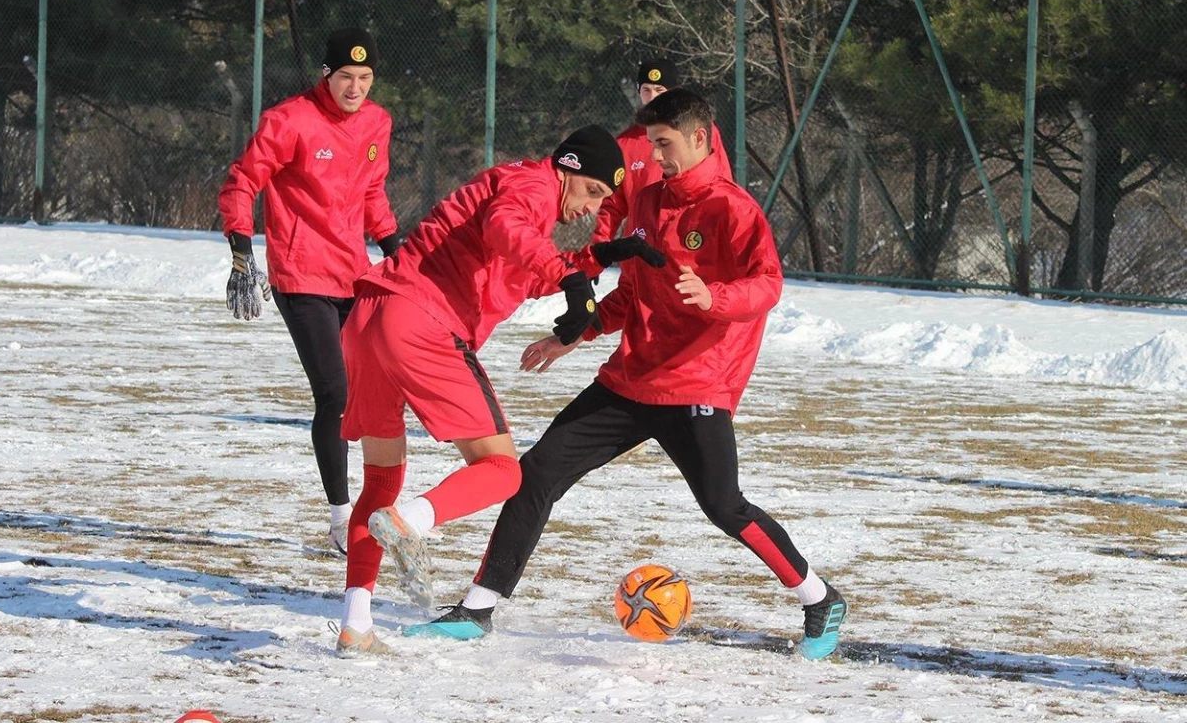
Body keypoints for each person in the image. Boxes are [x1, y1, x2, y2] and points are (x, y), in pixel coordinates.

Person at [409, 88, 848, 661]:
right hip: (629, 380)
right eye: (651, 144)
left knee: (724, 506)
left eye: (663, 144)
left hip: (696, 382)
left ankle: (819, 598)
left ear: (698, 137)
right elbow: (633, 291)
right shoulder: (646, 203)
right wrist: (574, 335)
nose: (656, 156)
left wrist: (712, 296)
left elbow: (767, 285)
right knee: (534, 475)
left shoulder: (733, 209)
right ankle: (477, 609)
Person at [333, 125, 666, 656]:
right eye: (594, 192)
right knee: (503, 471)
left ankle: (355, 623)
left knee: (379, 480)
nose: (589, 208)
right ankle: (411, 521)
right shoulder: (532, 186)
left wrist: (601, 257)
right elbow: (507, 228)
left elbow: (522, 270)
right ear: (569, 168)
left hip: (368, 321)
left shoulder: (526, 198)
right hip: (420, 323)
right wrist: (568, 276)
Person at [218, 28, 401, 557]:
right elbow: (241, 182)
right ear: (326, 74)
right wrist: (240, 248)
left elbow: (372, 194)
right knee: (335, 395)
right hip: (300, 276)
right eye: (346, 76)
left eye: (365, 78)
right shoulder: (289, 120)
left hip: (353, 275)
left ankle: (374, 507)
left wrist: (397, 252)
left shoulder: (376, 123)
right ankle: (342, 519)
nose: (356, 88)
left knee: (373, 393)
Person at [593, 57, 733, 247]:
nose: (652, 97)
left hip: (691, 241)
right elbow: (613, 205)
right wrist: (599, 249)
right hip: (641, 245)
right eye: (646, 90)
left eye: (660, 90)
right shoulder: (624, 143)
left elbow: (722, 183)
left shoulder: (699, 131)